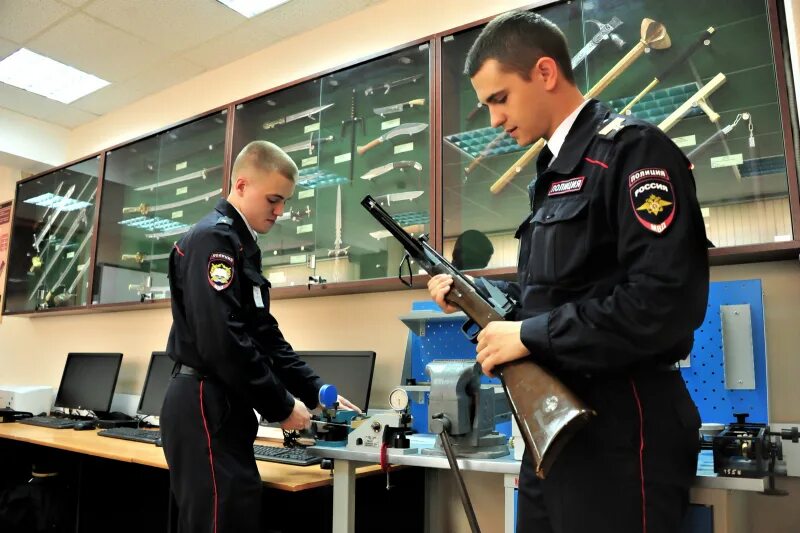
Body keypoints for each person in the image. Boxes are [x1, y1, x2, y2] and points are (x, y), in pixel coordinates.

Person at [428, 11, 708, 533]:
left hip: (623, 434)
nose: (492, 119)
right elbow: (555, 295)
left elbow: (663, 303)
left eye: (499, 98)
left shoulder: (633, 152)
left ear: (545, 73)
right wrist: (481, 294)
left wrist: (528, 335)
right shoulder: (552, 177)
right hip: (555, 434)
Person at [161, 140, 360, 533]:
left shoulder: (239, 245)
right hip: (205, 402)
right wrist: (281, 406)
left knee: (231, 513)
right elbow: (223, 340)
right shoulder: (214, 241)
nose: (280, 211)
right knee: (223, 520)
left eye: (284, 201)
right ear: (241, 185)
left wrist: (318, 392)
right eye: (273, 199)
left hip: (222, 404)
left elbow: (265, 336)